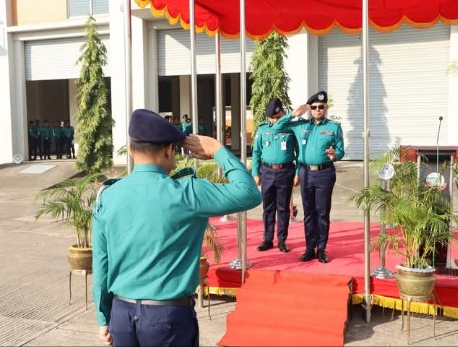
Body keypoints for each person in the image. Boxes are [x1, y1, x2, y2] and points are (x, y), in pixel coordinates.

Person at [92, 108, 262, 347]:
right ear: (169, 150)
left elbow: (101, 265)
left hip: (122, 314)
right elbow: (249, 194)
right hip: (166, 318)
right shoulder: (188, 192)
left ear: (131, 150)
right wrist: (217, 151)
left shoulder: (107, 196)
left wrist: (104, 317)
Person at [291, 90, 345, 263]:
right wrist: (294, 114)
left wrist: (334, 155)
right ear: (309, 109)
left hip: (324, 173)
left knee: (322, 213)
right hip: (305, 173)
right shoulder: (301, 126)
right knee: (309, 213)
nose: (317, 110)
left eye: (321, 107)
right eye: (314, 107)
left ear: (326, 107)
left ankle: (321, 249)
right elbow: (278, 126)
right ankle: (309, 248)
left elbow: (341, 150)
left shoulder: (333, 127)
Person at [251, 98, 298, 253]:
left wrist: (297, 173)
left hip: (285, 172)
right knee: (268, 208)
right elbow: (256, 152)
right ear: (268, 117)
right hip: (267, 172)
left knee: (283, 208)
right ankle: (267, 239)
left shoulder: (291, 129)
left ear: (283, 113)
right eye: (272, 117)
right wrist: (255, 172)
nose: (275, 120)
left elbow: (300, 153)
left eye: (278, 117)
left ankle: (282, 240)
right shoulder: (263, 129)